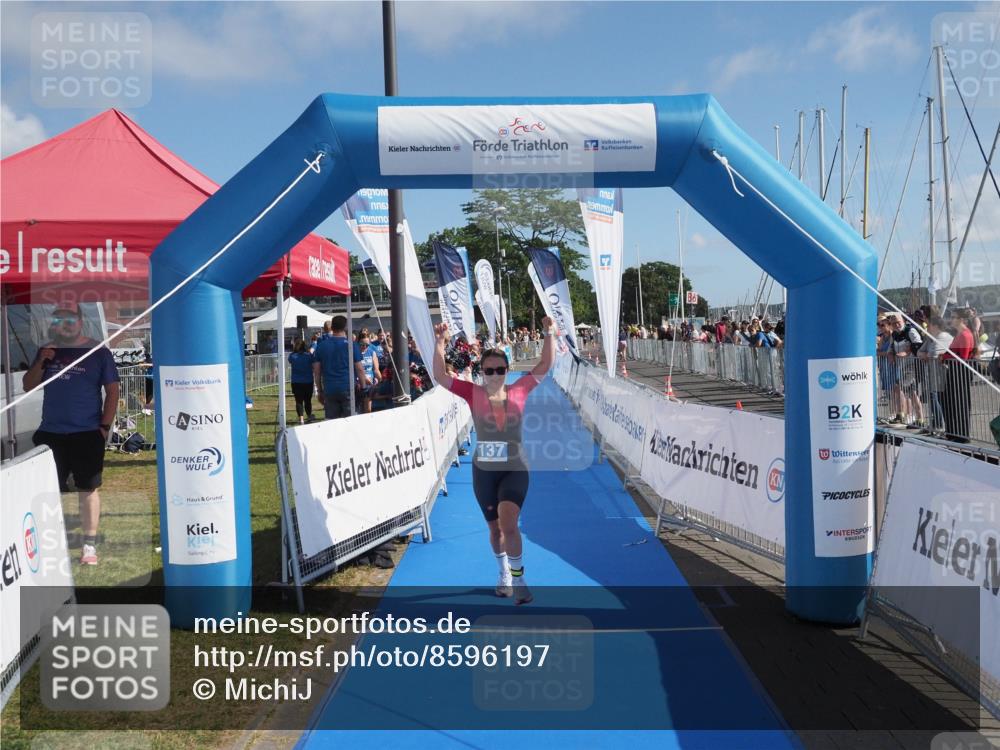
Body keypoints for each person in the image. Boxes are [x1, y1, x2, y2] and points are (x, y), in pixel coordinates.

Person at [431, 316, 556, 605]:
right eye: (489, 370)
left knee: (509, 521)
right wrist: (440, 343)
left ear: (507, 370)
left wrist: (549, 332)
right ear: (482, 371)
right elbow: (440, 376)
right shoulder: (472, 393)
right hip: (484, 472)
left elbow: (545, 365)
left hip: (515, 469)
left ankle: (520, 579)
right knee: (495, 529)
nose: (495, 374)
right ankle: (504, 576)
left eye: (501, 369)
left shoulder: (521, 389)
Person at [23, 301, 119, 566]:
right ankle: (54, 540)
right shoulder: (47, 350)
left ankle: (89, 546)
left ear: (79, 320)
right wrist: (42, 361)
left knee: (87, 488)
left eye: (68, 319)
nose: (62, 325)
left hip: (87, 432)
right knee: (49, 489)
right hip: (50, 432)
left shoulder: (98, 352)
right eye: (57, 320)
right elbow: (28, 385)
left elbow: (112, 391)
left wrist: (104, 426)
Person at [313, 315, 365, 419]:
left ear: (332, 328)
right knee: (351, 423)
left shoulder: (321, 346)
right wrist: (363, 388)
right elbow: (359, 369)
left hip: (329, 388)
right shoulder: (351, 345)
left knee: (332, 424)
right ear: (345, 327)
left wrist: (319, 390)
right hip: (348, 388)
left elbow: (317, 372)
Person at [940, 308, 976, 443]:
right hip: (954, 372)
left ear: (961, 320)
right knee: (952, 403)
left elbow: (963, 357)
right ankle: (954, 432)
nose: (951, 319)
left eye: (953, 317)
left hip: (960, 373)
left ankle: (962, 435)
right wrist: (944, 356)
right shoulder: (960, 334)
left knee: (960, 403)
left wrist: (945, 357)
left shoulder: (965, 335)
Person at [288, 338, 315, 424]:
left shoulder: (292, 356)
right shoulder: (309, 356)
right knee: (308, 400)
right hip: (308, 381)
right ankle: (309, 415)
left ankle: (301, 419)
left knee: (298, 401)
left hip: (296, 382)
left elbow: (290, 360)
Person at [355, 330, 381, 414]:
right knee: (357, 410)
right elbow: (354, 369)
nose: (365, 347)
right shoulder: (354, 353)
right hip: (358, 384)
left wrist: (379, 379)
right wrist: (364, 378)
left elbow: (376, 369)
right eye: (362, 344)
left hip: (369, 385)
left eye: (367, 345)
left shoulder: (372, 352)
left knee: (368, 411)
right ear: (358, 342)